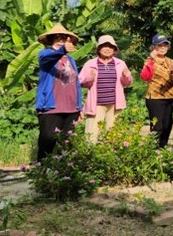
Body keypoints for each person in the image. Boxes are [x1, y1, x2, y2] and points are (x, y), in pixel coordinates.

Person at [35, 23, 82, 161]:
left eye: (64, 36)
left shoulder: (71, 59)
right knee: (47, 140)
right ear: (50, 40)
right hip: (52, 107)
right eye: (57, 37)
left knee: (68, 142)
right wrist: (62, 50)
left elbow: (75, 83)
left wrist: (80, 107)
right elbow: (48, 59)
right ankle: (42, 171)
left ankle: (65, 175)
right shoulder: (45, 54)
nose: (60, 39)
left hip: (71, 107)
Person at [79, 35, 133, 143]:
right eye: (104, 46)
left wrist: (126, 76)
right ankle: (89, 156)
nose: (107, 49)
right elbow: (80, 82)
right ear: (99, 49)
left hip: (114, 105)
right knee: (92, 134)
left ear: (114, 50)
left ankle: (111, 156)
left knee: (113, 134)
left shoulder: (120, 63)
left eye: (110, 47)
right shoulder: (90, 64)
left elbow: (128, 83)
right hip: (96, 104)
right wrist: (90, 77)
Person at [140, 34, 173, 148]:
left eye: (165, 45)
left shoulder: (170, 61)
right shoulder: (149, 60)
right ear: (154, 47)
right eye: (160, 45)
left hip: (169, 96)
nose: (162, 47)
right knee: (157, 125)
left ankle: (163, 147)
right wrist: (151, 60)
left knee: (168, 124)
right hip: (155, 97)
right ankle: (153, 147)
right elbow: (145, 76)